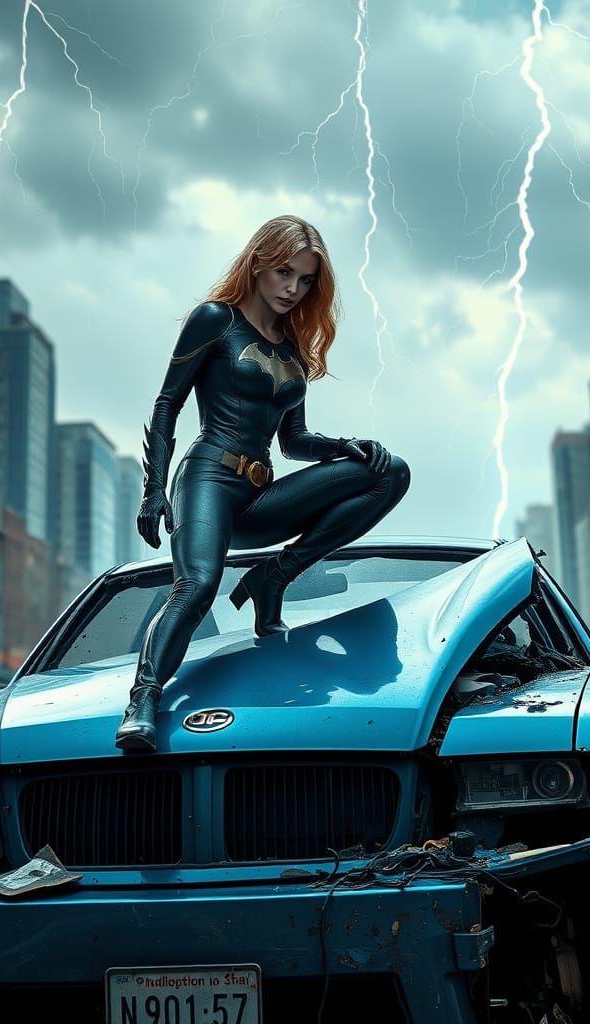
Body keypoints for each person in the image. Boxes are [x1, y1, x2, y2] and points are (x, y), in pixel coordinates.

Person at [116, 215, 410, 753]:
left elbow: (293, 442)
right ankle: (143, 700)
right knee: (198, 584)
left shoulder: (292, 351)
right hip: (207, 478)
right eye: (283, 273)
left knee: (388, 472)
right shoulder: (214, 320)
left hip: (259, 495)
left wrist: (345, 447)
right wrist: (153, 488)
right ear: (257, 263)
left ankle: (275, 576)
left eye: (304, 281)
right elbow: (167, 403)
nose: (292, 289)